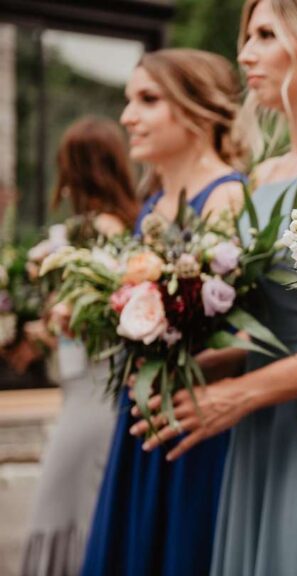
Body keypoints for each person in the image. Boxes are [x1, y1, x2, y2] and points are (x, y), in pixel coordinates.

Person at [127, 1, 297, 574]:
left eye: (264, 35)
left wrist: (243, 393)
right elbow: (259, 321)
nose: (245, 53)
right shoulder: (266, 172)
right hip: (255, 431)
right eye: (245, 36)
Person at [80, 49, 248, 576]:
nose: (128, 116)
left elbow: (245, 341)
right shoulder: (151, 203)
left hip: (196, 428)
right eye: (129, 100)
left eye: (147, 100)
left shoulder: (228, 199)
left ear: (199, 111)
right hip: (143, 415)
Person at [20, 116, 138, 576]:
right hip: (85, 386)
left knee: (63, 506)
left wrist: (57, 318)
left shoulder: (95, 230)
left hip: (93, 388)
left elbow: (97, 319)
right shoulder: (122, 225)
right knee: (77, 502)